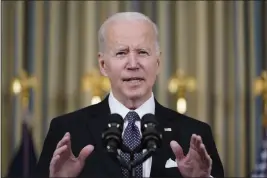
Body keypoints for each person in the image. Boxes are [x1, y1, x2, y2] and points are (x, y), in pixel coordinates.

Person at [35, 12, 224, 178]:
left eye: (142, 52)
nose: (133, 64)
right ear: (103, 65)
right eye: (121, 53)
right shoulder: (67, 132)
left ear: (157, 62)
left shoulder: (194, 134)